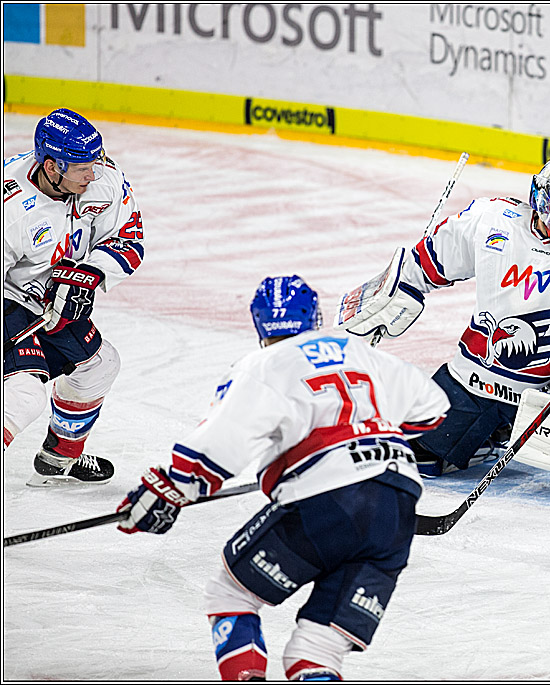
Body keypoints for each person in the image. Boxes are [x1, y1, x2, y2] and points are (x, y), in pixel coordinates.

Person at [117, 275, 450, 681]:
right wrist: (372, 439)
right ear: (315, 316)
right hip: (397, 503)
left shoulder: (263, 364)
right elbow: (433, 408)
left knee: (231, 594)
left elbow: (221, 442)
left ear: (260, 326)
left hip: (327, 499)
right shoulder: (361, 351)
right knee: (316, 649)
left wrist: (169, 488)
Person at [338, 156, 550, 477]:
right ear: (543, 196)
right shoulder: (493, 219)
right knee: (419, 458)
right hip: (475, 383)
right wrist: (398, 290)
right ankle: (489, 433)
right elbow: (426, 263)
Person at [3, 108, 145, 486]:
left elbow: (129, 241)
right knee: (24, 395)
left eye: (94, 163)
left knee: (100, 366)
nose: (93, 174)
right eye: (82, 168)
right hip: (10, 300)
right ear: (51, 167)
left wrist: (88, 274)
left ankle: (58, 459)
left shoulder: (103, 179)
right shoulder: (9, 209)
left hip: (55, 301)